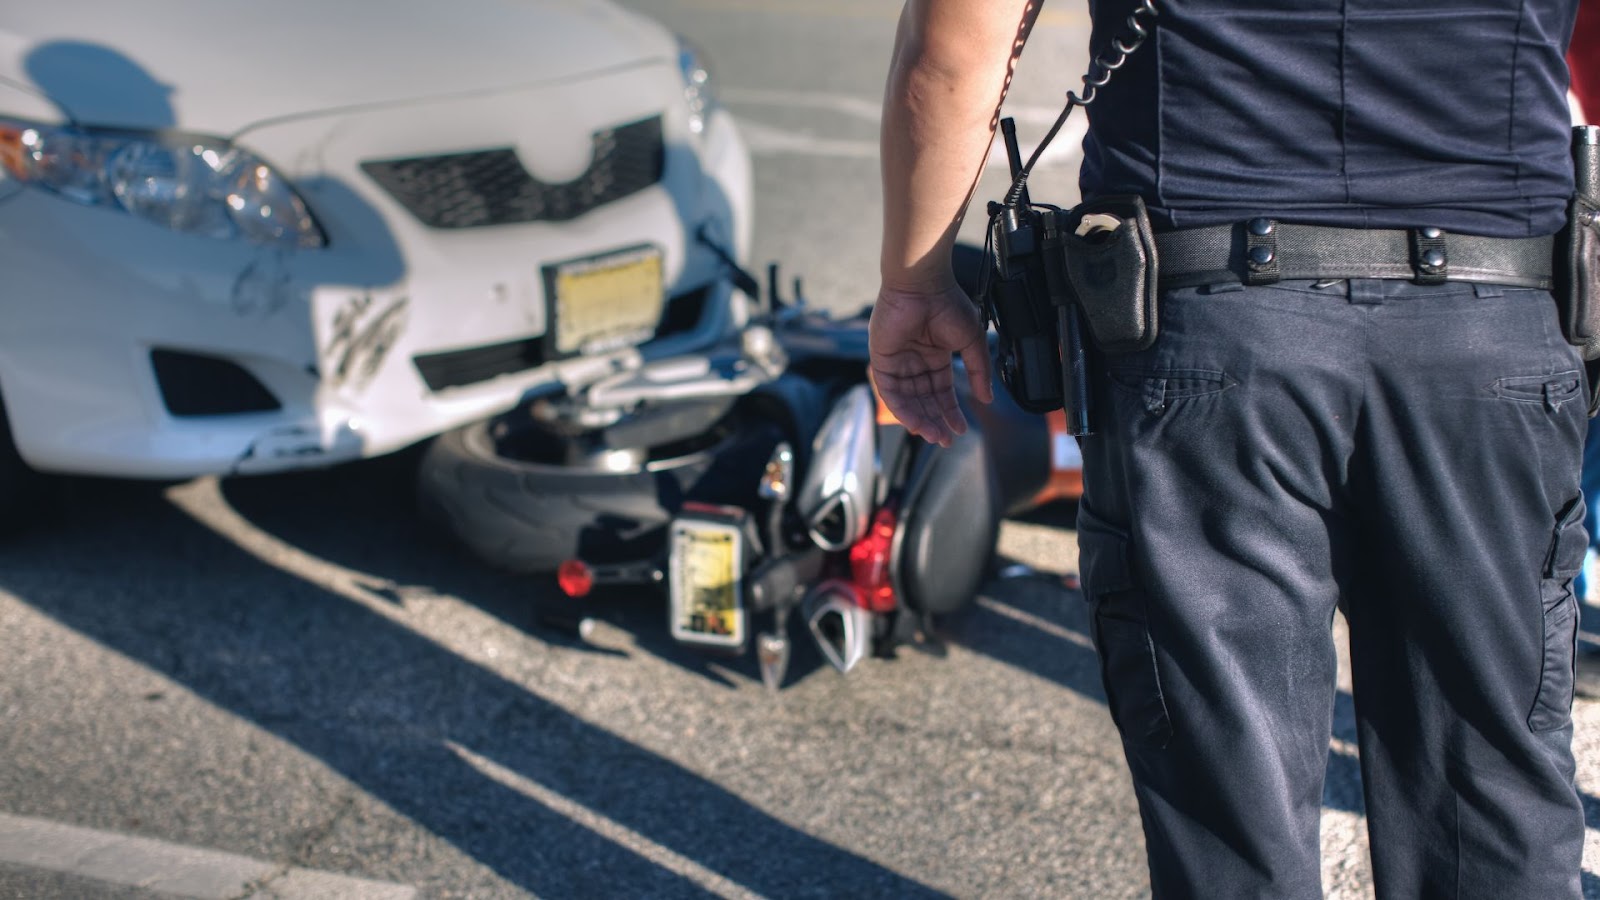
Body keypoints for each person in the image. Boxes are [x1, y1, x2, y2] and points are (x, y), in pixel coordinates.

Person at [872, 1, 1587, 896]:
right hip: (1489, 326)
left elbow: (953, 47)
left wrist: (914, 278)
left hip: (1212, 331)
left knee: (1228, 809)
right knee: (1491, 810)